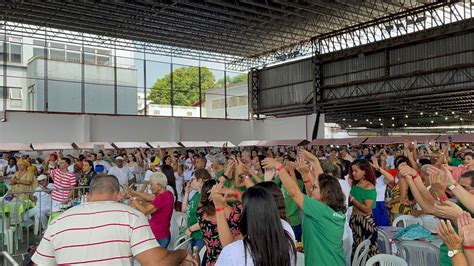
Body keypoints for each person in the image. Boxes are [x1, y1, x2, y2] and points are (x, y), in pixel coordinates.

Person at [31, 175, 194, 265]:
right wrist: (182, 253)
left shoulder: (59, 222)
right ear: (117, 195)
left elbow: (40, 263)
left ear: (87, 196)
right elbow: (157, 263)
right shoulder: (131, 217)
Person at [262, 158, 346, 266]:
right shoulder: (333, 211)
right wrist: (305, 176)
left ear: (325, 193)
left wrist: (279, 167)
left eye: (315, 187)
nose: (311, 190)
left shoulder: (320, 210)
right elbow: (311, 195)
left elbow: (294, 193)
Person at [215, 186, 296, 266]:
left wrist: (219, 208)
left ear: (246, 212)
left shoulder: (235, 251)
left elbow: (228, 247)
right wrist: (236, 193)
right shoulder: (287, 233)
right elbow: (258, 204)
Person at [197, 179, 242, 266]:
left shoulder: (200, 213)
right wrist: (233, 192)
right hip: (233, 260)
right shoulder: (236, 212)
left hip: (212, 261)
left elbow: (203, 200)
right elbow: (250, 199)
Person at [130, 172, 174, 248]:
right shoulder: (168, 193)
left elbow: (145, 211)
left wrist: (133, 199)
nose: (150, 188)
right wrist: (136, 197)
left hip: (158, 235)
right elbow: (152, 203)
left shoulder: (161, 197)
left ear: (159, 186)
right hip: (164, 233)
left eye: (151, 185)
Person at [349, 159, 378, 260]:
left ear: (364, 172)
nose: (353, 173)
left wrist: (353, 200)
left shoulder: (369, 187)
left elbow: (367, 209)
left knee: (369, 249)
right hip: (355, 220)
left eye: (356, 171)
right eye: (352, 171)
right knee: (357, 248)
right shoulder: (355, 185)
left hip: (365, 221)